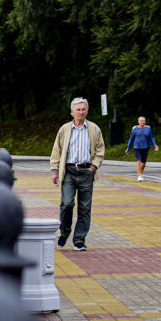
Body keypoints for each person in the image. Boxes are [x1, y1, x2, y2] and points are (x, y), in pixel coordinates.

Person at [49, 97, 105, 251]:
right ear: (72, 112)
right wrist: (54, 171)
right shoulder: (64, 129)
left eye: (83, 109)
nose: (81, 112)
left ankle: (79, 239)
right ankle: (64, 232)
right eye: (78, 110)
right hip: (69, 171)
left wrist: (94, 166)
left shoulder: (94, 129)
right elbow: (56, 151)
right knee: (67, 203)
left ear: (87, 111)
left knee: (85, 207)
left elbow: (100, 149)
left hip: (87, 171)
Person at [125, 116, 159, 182]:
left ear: (145, 121)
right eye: (141, 121)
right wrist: (128, 148)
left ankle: (139, 173)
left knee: (143, 163)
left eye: (143, 120)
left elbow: (151, 138)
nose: (142, 122)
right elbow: (131, 139)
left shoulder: (148, 128)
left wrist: (155, 145)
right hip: (137, 147)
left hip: (146, 147)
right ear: (138, 122)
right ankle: (139, 176)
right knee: (139, 160)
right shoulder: (135, 129)